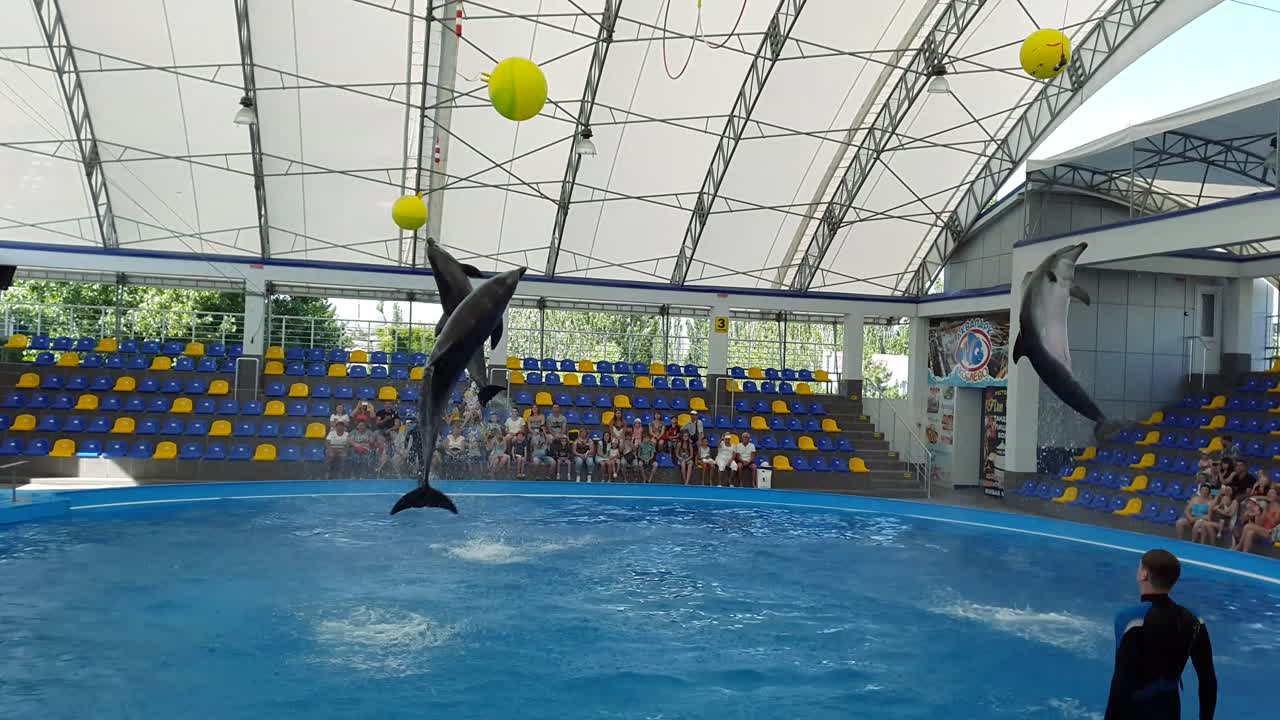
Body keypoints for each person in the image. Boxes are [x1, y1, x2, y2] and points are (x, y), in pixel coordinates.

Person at [1105, 549, 1216, 720]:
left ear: (1143, 574)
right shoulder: (1195, 620)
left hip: (1135, 711)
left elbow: (1121, 683)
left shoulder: (1131, 619)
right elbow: (1208, 680)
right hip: (1170, 709)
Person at [1233, 486, 1279, 552]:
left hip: (1271, 533)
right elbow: (1260, 524)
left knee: (1248, 526)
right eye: (1268, 492)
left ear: (1277, 496)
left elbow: (1274, 523)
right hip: (1263, 530)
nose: (1269, 494)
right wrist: (1257, 514)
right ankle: (1245, 553)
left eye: (1272, 493)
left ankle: (1239, 545)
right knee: (1250, 532)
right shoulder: (1266, 506)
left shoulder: (1278, 509)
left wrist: (1266, 513)